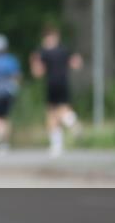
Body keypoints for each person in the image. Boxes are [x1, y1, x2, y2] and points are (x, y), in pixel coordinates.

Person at [30, 25, 83, 157]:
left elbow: (38, 72)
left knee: (51, 114)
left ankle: (60, 140)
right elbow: (76, 64)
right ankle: (71, 123)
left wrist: (33, 61)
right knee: (63, 108)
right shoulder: (64, 50)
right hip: (64, 83)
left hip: (52, 84)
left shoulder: (43, 52)